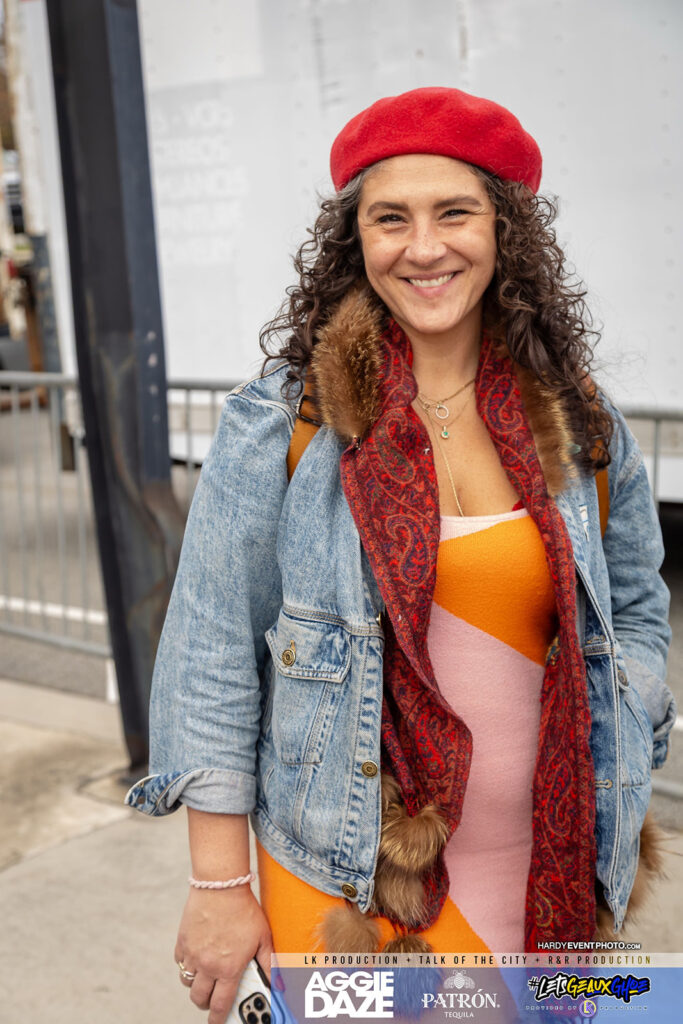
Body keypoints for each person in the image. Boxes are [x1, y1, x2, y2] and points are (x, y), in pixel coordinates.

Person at [126, 87, 674, 1023]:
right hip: (345, 885)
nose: (423, 248)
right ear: (357, 240)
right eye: (390, 219)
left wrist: (630, 710)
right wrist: (218, 887)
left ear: (503, 231)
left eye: (453, 212)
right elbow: (209, 651)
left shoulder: (576, 416)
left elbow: (632, 605)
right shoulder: (285, 422)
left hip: (554, 874)